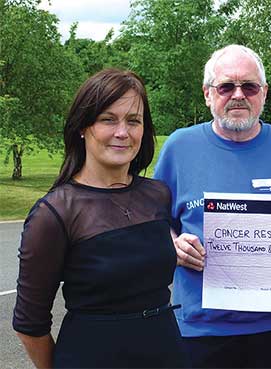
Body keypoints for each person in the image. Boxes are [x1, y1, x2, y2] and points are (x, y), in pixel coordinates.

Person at [152, 44, 271, 368]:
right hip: (201, 330)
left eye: (248, 86)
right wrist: (173, 244)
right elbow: (154, 222)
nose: (238, 95)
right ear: (208, 94)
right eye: (225, 86)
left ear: (263, 93)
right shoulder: (179, 147)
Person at [13, 68, 187, 368]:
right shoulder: (55, 213)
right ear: (83, 126)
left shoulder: (158, 195)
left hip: (167, 355)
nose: (123, 132)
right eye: (108, 119)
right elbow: (29, 324)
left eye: (133, 121)